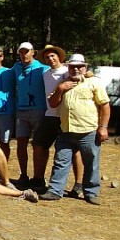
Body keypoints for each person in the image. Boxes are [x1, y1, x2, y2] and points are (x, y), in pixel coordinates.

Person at [40, 54, 110, 205]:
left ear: (85, 68)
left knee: (91, 163)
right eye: (73, 66)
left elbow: (105, 105)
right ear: (68, 67)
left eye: (80, 66)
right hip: (66, 130)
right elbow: (52, 104)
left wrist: (103, 127)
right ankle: (55, 191)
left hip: (88, 131)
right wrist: (60, 89)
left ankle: (90, 192)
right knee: (60, 161)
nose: (76, 69)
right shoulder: (63, 82)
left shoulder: (94, 83)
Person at [36, 45, 84, 195]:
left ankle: (79, 184)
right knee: (38, 145)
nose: (50, 59)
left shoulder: (68, 71)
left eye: (53, 56)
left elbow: (85, 76)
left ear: (59, 57)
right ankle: (38, 179)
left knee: (74, 150)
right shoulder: (45, 74)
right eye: (47, 57)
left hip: (65, 116)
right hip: (50, 115)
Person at [11, 42, 50, 187]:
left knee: (39, 145)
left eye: (27, 51)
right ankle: (23, 174)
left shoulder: (43, 68)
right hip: (21, 110)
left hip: (39, 110)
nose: (24, 54)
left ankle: (39, 177)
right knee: (21, 143)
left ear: (33, 52)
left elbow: (59, 72)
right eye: (21, 52)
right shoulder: (16, 68)